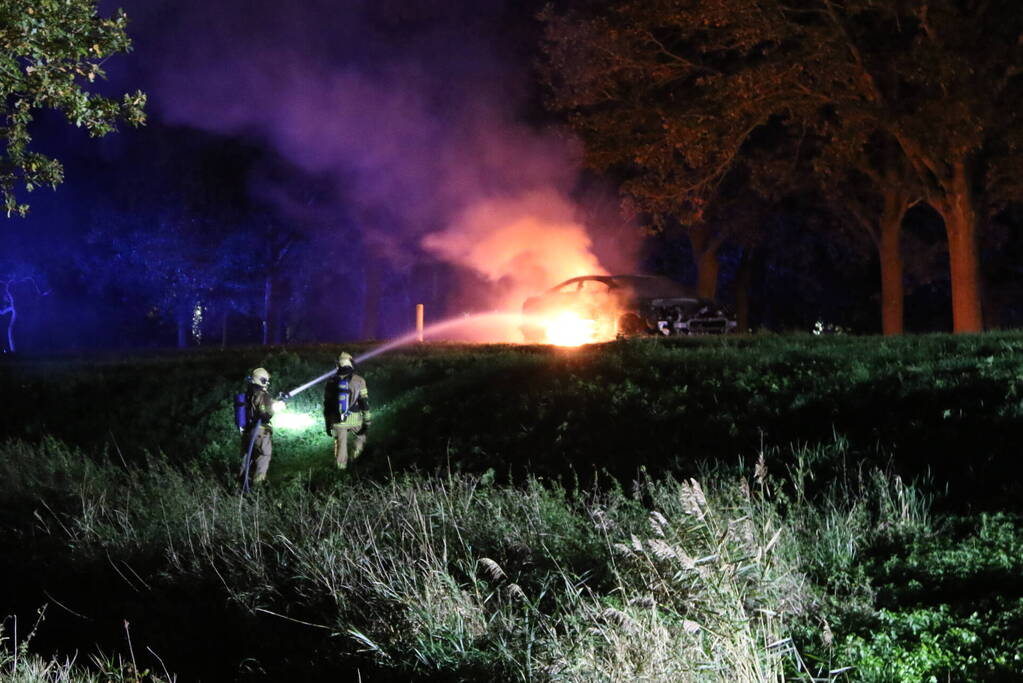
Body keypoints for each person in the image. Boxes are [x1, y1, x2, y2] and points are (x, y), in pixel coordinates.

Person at [323, 351, 371, 470]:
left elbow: (327, 405)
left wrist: (328, 424)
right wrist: (367, 421)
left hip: (337, 420)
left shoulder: (331, 381)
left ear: (338, 365)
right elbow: (364, 403)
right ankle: (355, 458)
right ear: (350, 363)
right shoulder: (359, 380)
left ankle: (340, 469)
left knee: (340, 445)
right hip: (355, 419)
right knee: (361, 436)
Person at [240, 367, 275, 487]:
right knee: (263, 457)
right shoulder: (262, 394)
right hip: (260, 432)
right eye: (265, 380)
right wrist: (276, 407)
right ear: (261, 380)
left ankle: (240, 483)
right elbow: (265, 414)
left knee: (247, 458)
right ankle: (257, 487)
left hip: (248, 432)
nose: (267, 383)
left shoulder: (249, 393)